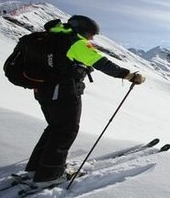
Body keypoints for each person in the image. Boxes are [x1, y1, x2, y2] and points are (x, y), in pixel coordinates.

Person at [24, 15, 145, 185]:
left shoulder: (54, 37)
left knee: (55, 128)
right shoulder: (75, 42)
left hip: (43, 90)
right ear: (83, 30)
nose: (92, 38)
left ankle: (36, 167)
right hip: (63, 92)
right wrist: (129, 75)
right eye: (91, 34)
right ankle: (49, 175)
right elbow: (101, 62)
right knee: (66, 130)